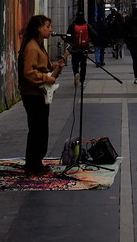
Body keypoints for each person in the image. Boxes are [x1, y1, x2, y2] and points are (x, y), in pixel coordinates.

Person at [18, 15, 65, 175]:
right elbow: (28, 72)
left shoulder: (38, 46)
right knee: (37, 129)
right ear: (39, 28)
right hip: (33, 95)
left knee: (40, 129)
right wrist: (47, 78)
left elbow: (41, 67)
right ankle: (33, 165)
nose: (50, 30)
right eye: (47, 26)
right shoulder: (32, 47)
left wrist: (55, 66)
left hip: (38, 94)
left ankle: (36, 162)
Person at [67, 13, 91, 86]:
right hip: (84, 48)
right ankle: (82, 80)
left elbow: (68, 36)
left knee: (75, 63)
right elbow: (94, 34)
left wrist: (70, 42)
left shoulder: (73, 26)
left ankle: (76, 73)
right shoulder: (87, 26)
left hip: (75, 48)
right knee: (83, 65)